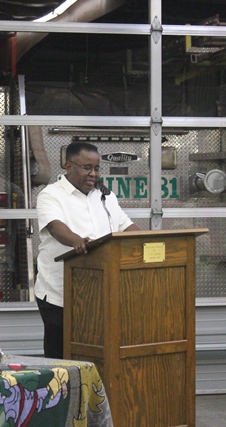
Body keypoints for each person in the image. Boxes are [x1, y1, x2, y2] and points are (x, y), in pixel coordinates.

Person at [35, 142, 141, 358]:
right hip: (60, 294)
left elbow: (126, 226)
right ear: (68, 166)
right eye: (87, 168)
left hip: (101, 292)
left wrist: (150, 242)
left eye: (96, 168)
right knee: (61, 359)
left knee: (96, 355)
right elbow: (55, 227)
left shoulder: (106, 196)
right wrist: (77, 241)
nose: (93, 173)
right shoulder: (51, 195)